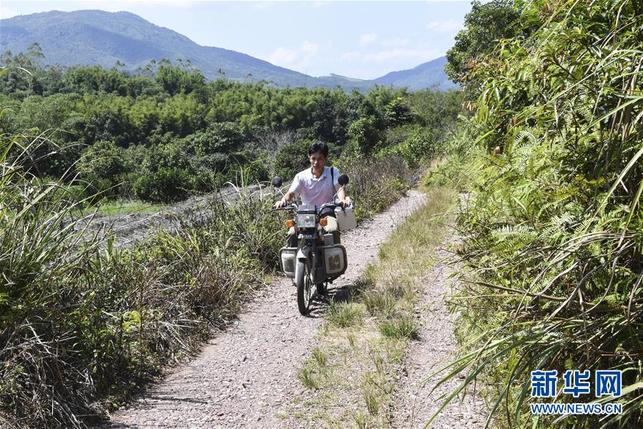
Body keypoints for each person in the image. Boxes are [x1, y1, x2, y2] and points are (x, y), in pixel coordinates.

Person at [274, 141, 350, 211]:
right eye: (313, 158)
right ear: (309, 157)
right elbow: (291, 193)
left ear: (326, 158)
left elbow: (339, 188)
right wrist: (283, 201)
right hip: (306, 215)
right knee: (292, 226)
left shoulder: (333, 172)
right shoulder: (301, 176)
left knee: (332, 226)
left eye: (320, 159)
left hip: (327, 212)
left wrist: (342, 199)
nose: (316, 162)